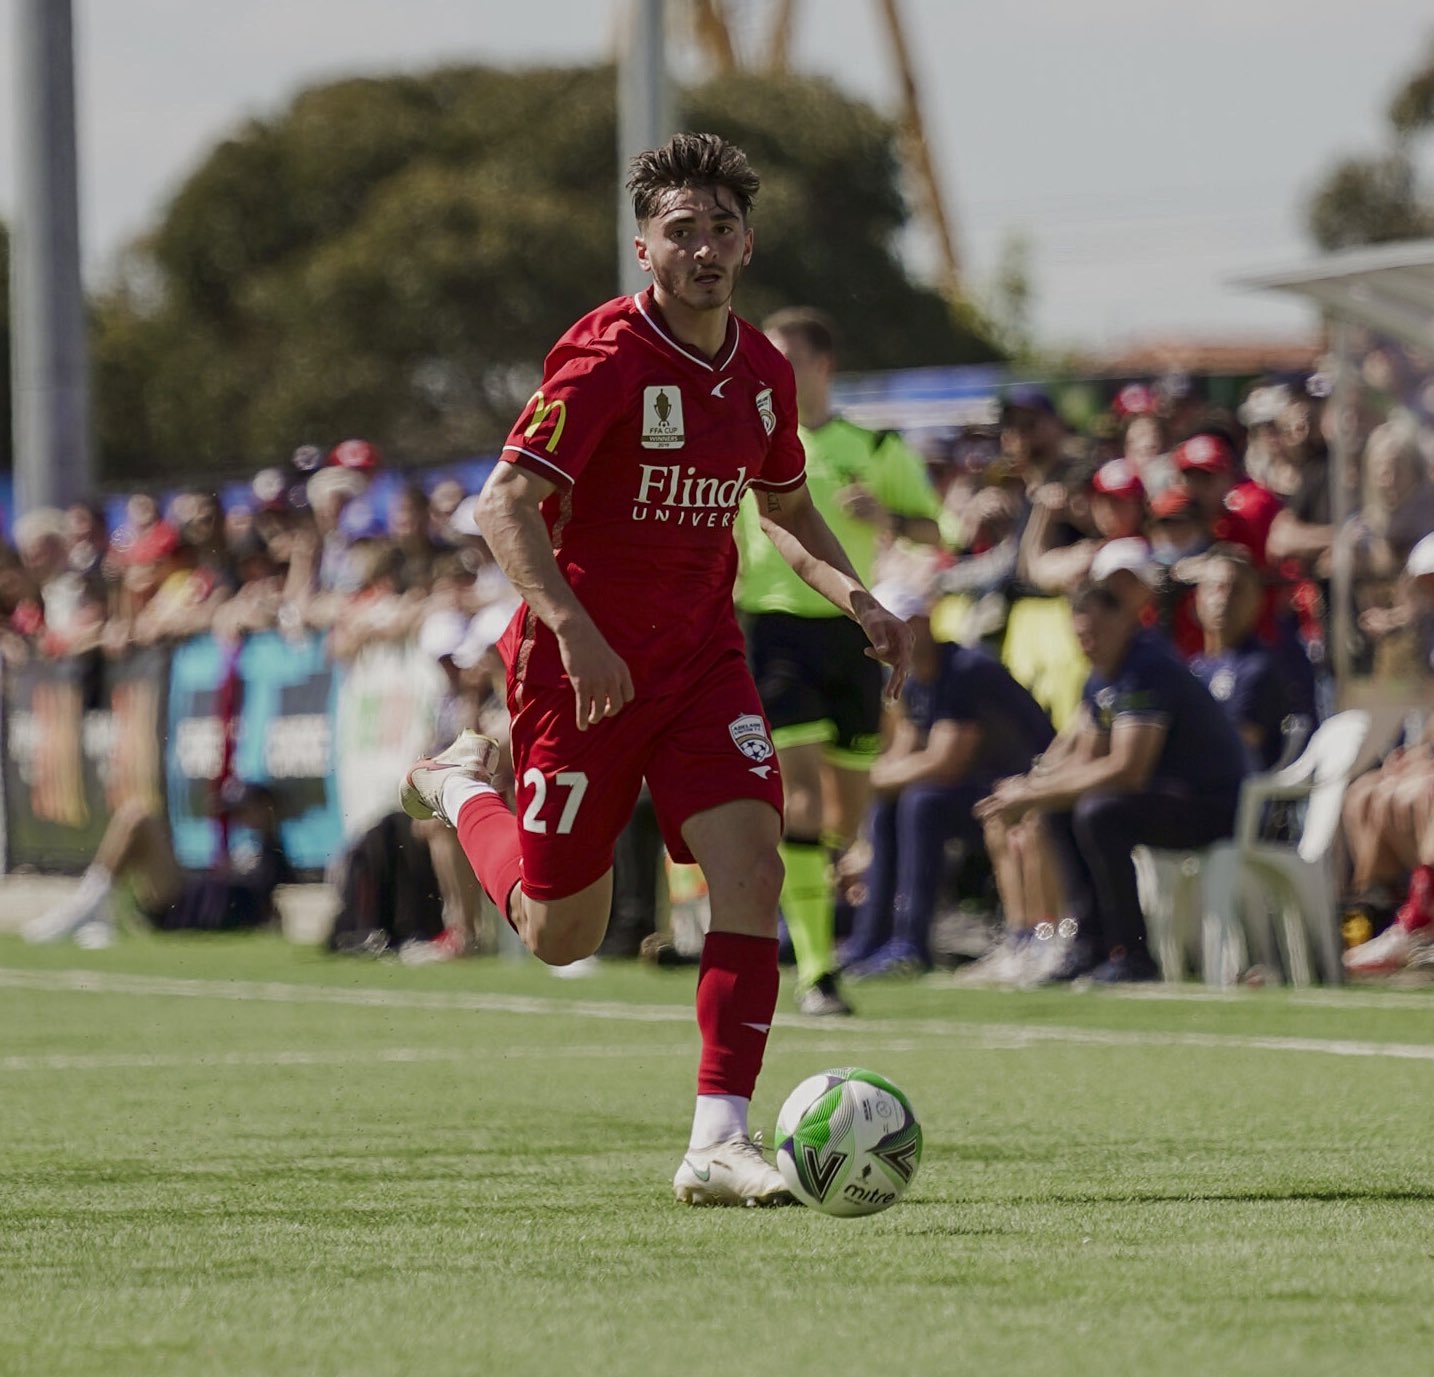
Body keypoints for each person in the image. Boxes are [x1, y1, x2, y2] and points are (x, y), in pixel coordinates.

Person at [398, 132, 911, 1207]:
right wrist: (578, 632)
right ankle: (459, 784)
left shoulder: (763, 373)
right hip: (576, 668)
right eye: (683, 230)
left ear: (748, 245)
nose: (705, 246)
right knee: (558, 933)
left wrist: (856, 594)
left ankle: (717, 1138)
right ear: (647, 249)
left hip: (701, 662)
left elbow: (786, 508)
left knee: (756, 865)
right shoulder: (603, 357)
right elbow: (504, 505)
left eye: (722, 228)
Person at [733, 306, 943, 1017]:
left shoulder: (874, 444)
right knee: (798, 796)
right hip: (773, 627)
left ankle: (808, 892)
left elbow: (933, 526)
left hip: (855, 623)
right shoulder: (753, 441)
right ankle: (818, 970)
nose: (771, 369)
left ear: (822, 366)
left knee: (845, 813)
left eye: (784, 356)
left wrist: (884, 515)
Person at [975, 583, 1249, 983]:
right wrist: (1034, 787)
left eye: (1096, 633)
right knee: (1065, 808)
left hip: (1216, 805)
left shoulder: (1145, 668)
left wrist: (1032, 791)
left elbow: (1127, 769)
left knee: (1101, 813)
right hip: (1167, 799)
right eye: (1082, 636)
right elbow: (1086, 759)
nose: (1089, 644)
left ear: (1126, 621)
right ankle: (1088, 944)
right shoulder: (1104, 677)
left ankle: (1132, 953)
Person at [838, 583, 1055, 979]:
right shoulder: (917, 675)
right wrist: (864, 783)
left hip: (1025, 787)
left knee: (922, 801)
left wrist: (861, 782)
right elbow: (904, 750)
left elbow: (946, 761)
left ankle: (911, 945)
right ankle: (871, 938)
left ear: (923, 621)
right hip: (983, 790)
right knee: (891, 804)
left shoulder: (966, 669)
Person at [23, 783, 291, 947]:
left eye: (245, 811)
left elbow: (262, 901)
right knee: (135, 818)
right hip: (181, 899)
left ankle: (89, 908)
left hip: (181, 905)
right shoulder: (238, 845)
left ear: (265, 809)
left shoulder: (272, 851)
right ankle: (93, 910)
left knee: (139, 818)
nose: (239, 819)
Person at [1188, 545, 1292, 771]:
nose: (1224, 599)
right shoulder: (1193, 667)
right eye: (1216, 588)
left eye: (1237, 590)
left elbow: (1239, 743)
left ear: (1258, 601)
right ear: (1197, 599)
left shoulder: (1259, 668)